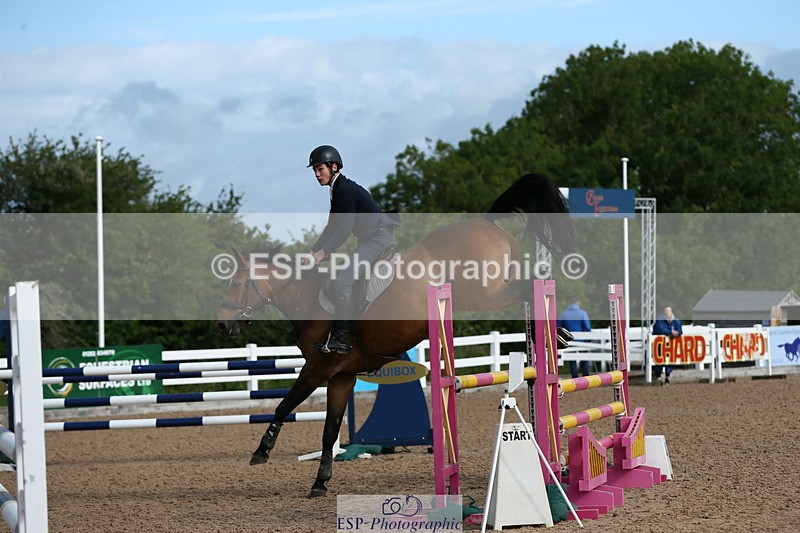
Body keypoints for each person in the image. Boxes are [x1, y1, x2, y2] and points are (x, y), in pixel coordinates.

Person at [307, 145, 398, 355]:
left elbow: (344, 231)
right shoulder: (336, 189)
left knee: (342, 282)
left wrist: (323, 254)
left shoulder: (345, 190)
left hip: (378, 238)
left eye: (320, 169)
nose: (316, 174)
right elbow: (332, 226)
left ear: (334, 166)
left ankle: (341, 339)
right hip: (370, 239)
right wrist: (314, 251)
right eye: (314, 170)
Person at [557, 300, 592, 378]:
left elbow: (558, 325)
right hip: (582, 340)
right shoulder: (583, 313)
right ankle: (586, 376)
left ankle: (574, 376)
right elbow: (587, 327)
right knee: (584, 358)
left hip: (570, 339)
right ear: (578, 303)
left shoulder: (564, 314)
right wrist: (589, 338)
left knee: (572, 360)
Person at [652, 306, 682, 385]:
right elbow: (659, 330)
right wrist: (671, 332)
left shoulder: (676, 321)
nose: (668, 312)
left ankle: (667, 377)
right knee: (659, 361)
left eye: (669, 311)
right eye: (666, 311)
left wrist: (677, 333)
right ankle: (658, 378)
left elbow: (680, 330)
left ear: (672, 312)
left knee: (670, 361)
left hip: (671, 345)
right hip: (660, 346)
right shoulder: (659, 320)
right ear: (664, 312)